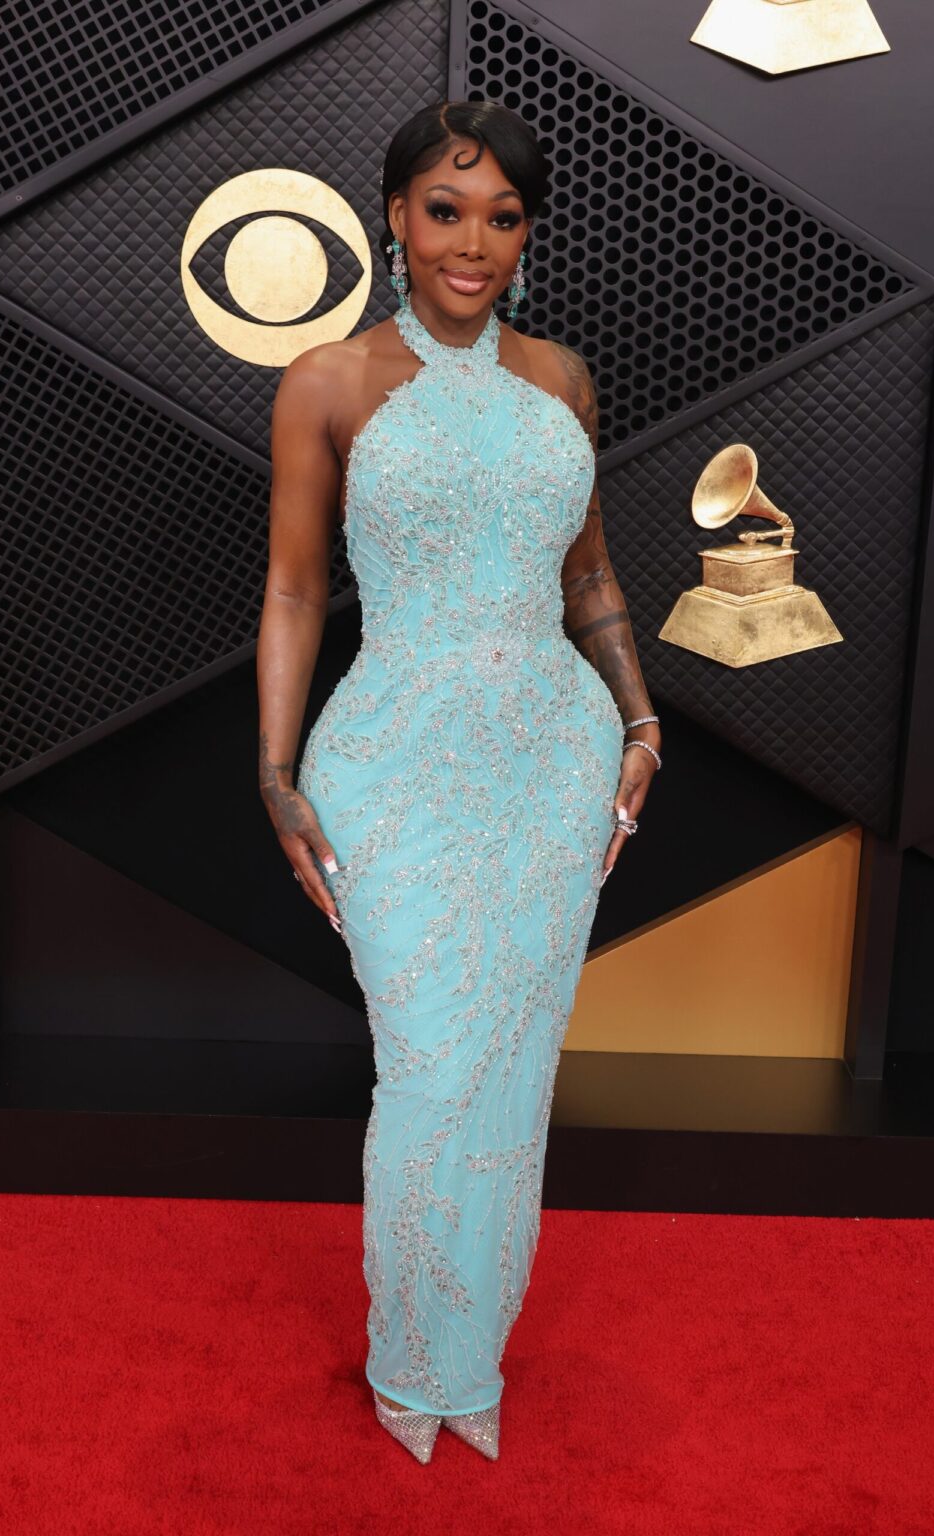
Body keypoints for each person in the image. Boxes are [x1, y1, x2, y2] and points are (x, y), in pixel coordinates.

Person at [257, 98, 661, 1463]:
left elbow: (590, 573)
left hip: (552, 760)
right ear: (393, 216)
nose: (472, 242)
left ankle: (464, 1363)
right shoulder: (326, 382)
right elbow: (298, 591)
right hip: (391, 761)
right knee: (430, 1065)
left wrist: (643, 719)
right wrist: (272, 768)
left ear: (527, 231)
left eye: (501, 215)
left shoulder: (562, 382)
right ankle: (410, 1359)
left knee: (512, 1072)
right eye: (445, 209)